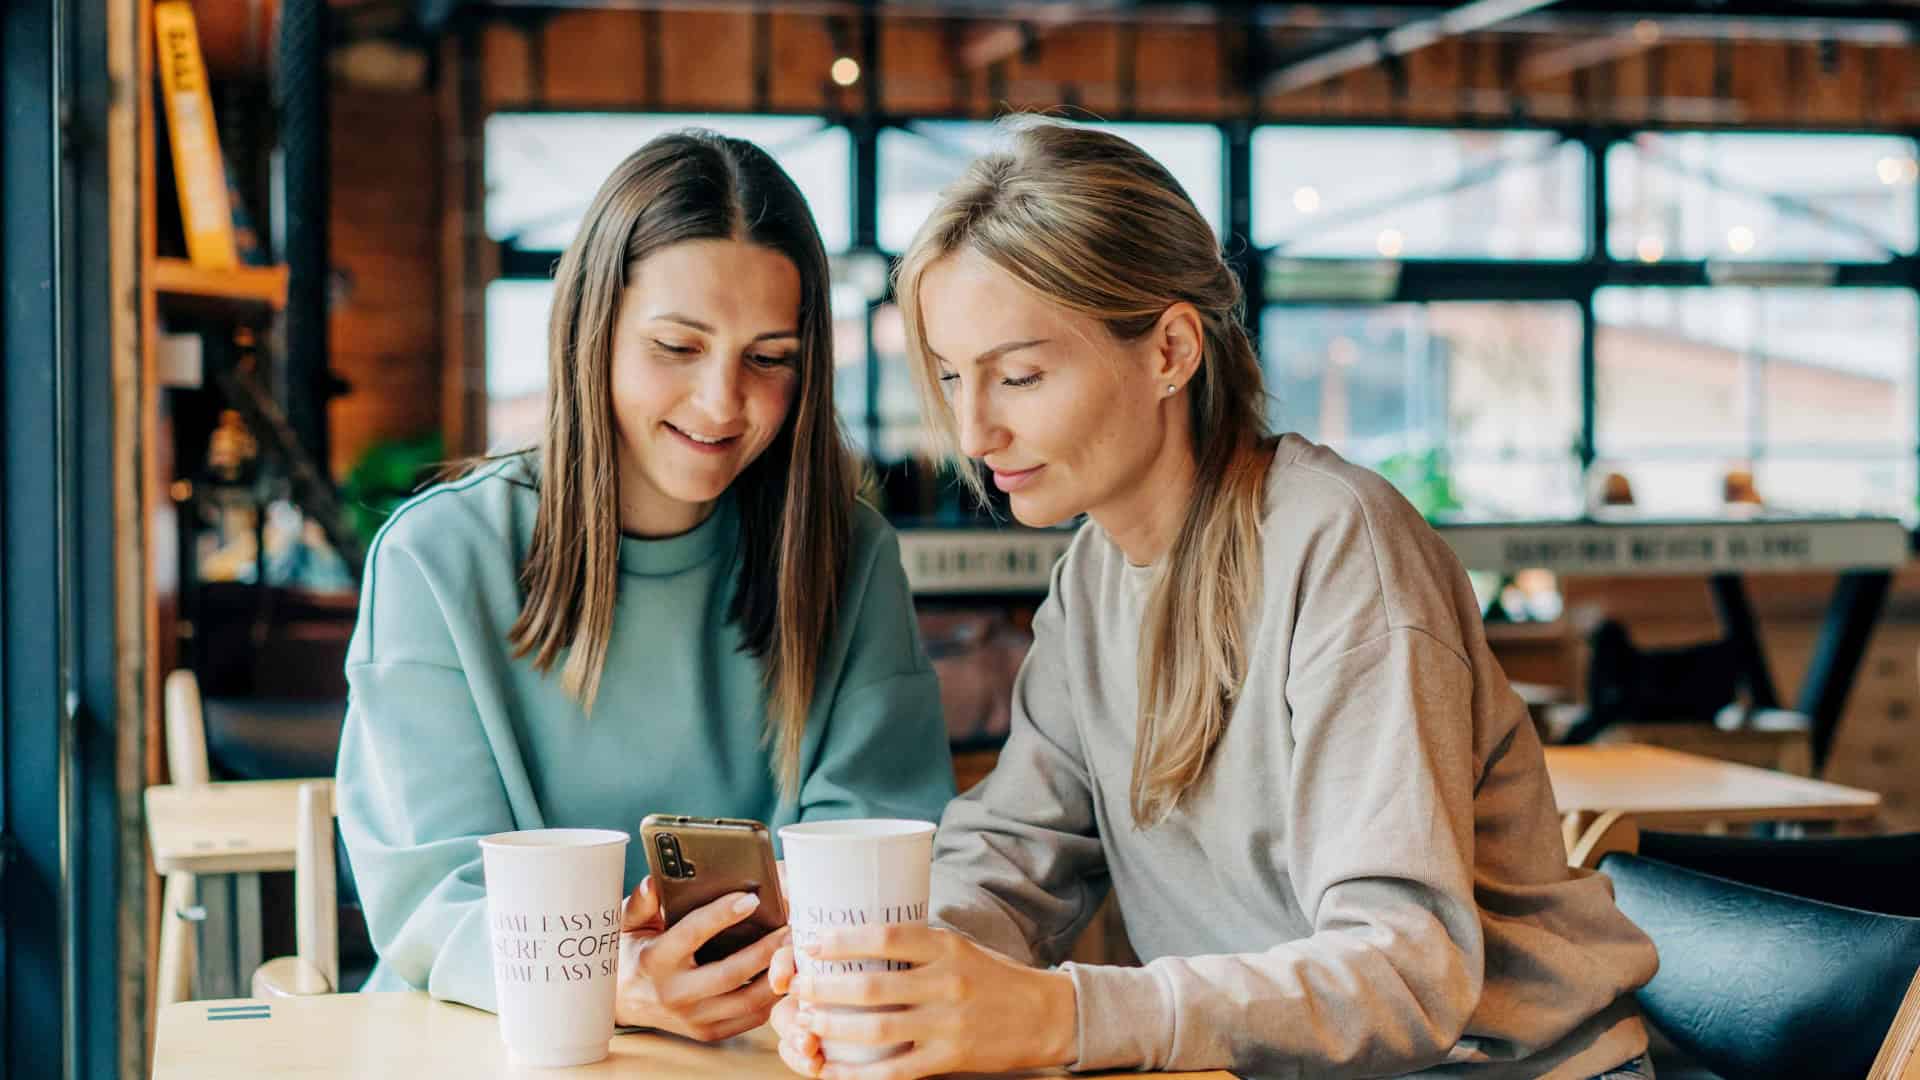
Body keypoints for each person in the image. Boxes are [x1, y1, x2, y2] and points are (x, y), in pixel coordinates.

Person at [770, 121, 1659, 1080]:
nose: (975, 428)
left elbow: (1408, 972)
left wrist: (1069, 1013)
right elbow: (1020, 849)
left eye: (1020, 374)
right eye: (952, 375)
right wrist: (896, 977)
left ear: (1170, 352)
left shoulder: (1339, 547)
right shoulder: (1095, 575)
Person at [336, 130, 954, 1043]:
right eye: (677, 345)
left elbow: (876, 843)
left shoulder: (847, 554)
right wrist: (606, 984)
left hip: (769, 1042)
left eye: (769, 358)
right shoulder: (438, 555)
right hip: (488, 1036)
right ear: (596, 330)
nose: (720, 403)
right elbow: (431, 897)